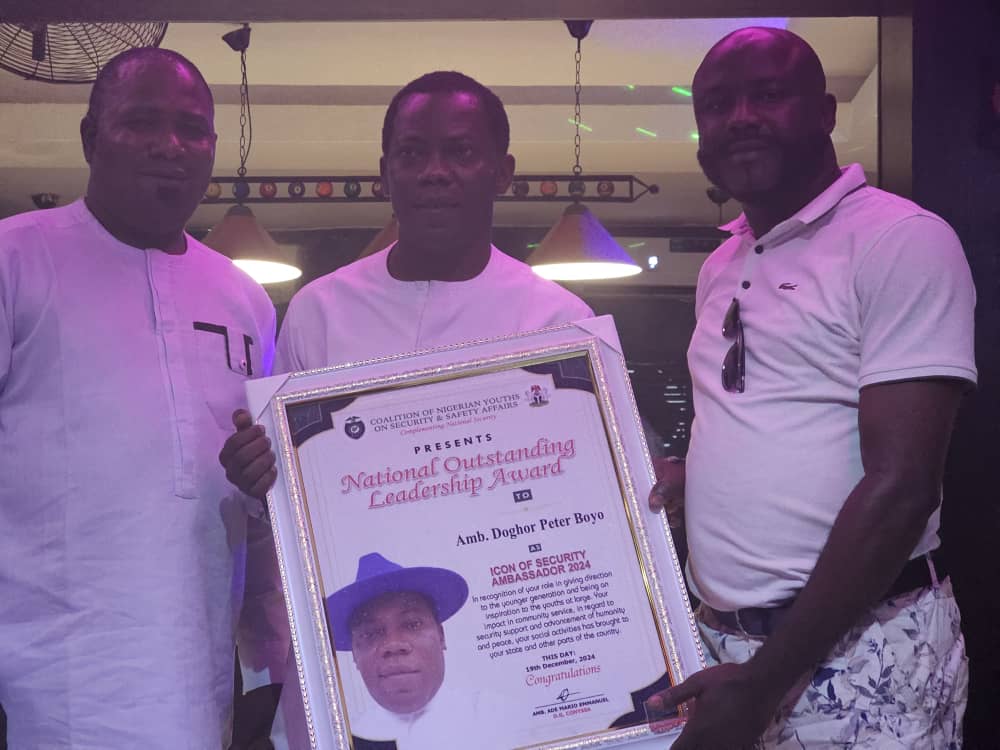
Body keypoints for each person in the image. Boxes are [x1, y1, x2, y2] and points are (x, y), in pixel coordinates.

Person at [219, 70, 593, 747]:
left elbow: (580, 506)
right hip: (351, 673)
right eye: (413, 153)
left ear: (503, 172)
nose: (435, 171)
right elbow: (287, 501)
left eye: (461, 151)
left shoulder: (558, 321)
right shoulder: (320, 311)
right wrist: (256, 475)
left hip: (514, 652)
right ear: (384, 172)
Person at [645, 27, 976, 749]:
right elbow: (771, 420)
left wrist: (764, 684)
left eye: (767, 95)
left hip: (859, 650)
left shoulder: (900, 239)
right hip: (725, 649)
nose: (740, 118)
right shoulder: (723, 261)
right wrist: (693, 478)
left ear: (825, 113)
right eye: (716, 105)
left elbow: (903, 487)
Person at [0, 48, 281, 748]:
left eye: (193, 129)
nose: (170, 145)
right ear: (91, 138)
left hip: (198, 682)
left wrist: (261, 480)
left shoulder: (245, 299)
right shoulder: (15, 259)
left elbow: (259, 499)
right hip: (49, 688)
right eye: (142, 122)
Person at [324, 552, 477, 747]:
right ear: (355, 654)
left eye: (413, 624)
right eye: (370, 634)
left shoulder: (501, 722)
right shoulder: (340, 741)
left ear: (441, 636)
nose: (393, 645)